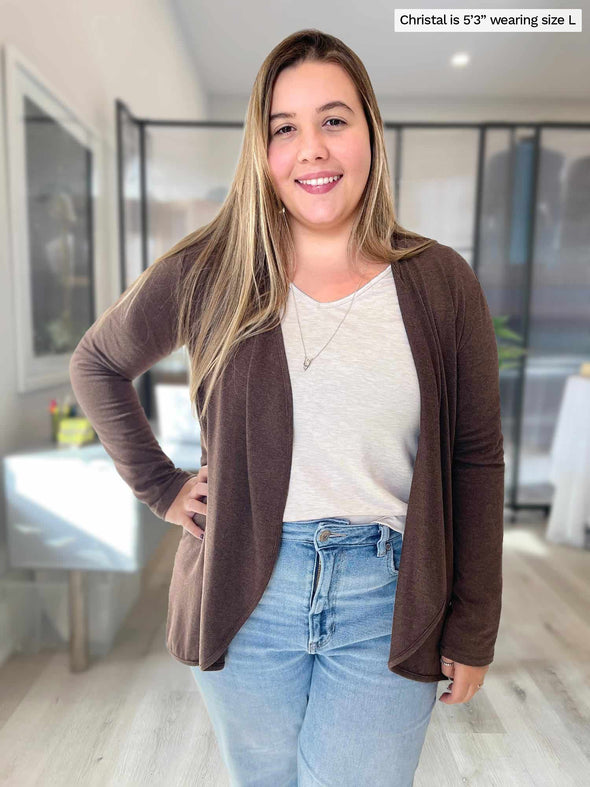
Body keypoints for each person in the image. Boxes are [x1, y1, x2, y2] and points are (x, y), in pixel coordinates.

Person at [70, 28, 504, 787]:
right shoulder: (212, 269)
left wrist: (473, 625)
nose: (313, 149)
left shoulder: (440, 282)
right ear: (261, 149)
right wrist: (160, 485)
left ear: (369, 129)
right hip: (245, 593)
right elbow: (98, 362)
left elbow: (475, 459)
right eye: (285, 128)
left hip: (390, 598)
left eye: (334, 120)